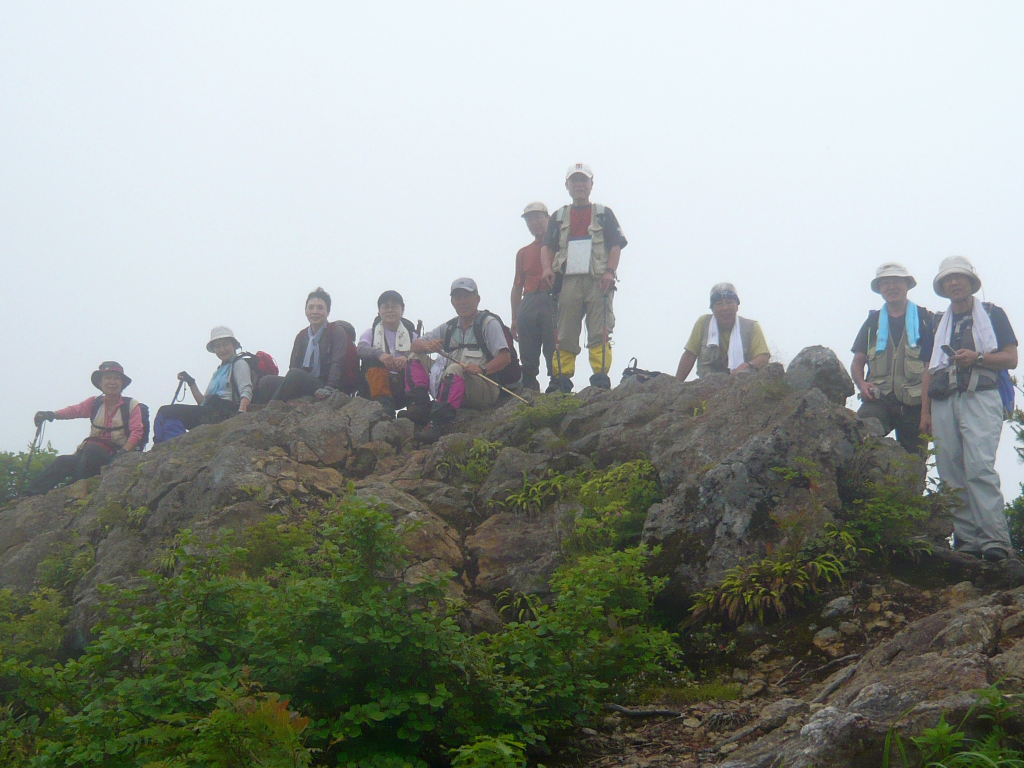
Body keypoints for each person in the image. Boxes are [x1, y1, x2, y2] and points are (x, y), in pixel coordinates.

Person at [921, 256, 1019, 562]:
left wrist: (976, 358)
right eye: (948, 279)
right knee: (950, 470)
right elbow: (928, 369)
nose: (954, 283)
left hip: (981, 395)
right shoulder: (937, 323)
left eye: (959, 278)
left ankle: (994, 541)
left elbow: (1011, 359)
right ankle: (966, 540)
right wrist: (924, 413)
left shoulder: (992, 314)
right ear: (942, 286)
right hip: (943, 399)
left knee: (978, 467)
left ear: (970, 282)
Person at [540, 163, 627, 392]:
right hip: (568, 279)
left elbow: (615, 245)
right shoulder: (559, 216)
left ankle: (600, 377)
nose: (579, 185)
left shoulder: (603, 213)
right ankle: (561, 379)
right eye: (574, 181)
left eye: (583, 181)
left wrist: (610, 272)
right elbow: (547, 247)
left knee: (600, 329)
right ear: (567, 185)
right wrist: (547, 269)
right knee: (566, 330)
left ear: (591, 185)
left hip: (597, 278)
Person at [411, 278, 512, 443]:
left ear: (477, 299)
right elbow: (414, 345)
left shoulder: (488, 323)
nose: (462, 302)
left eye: (467, 296)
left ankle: (438, 424)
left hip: (483, 388)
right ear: (452, 302)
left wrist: (482, 369)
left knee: (454, 369)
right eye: (458, 297)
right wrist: (428, 345)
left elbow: (505, 357)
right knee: (414, 357)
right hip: (451, 385)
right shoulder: (449, 327)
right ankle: (420, 405)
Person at [850, 263, 934, 455]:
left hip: (915, 405)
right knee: (861, 436)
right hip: (880, 399)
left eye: (896, 281)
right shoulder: (873, 322)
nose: (891, 287)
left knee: (914, 463)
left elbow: (935, 365)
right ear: (880, 289)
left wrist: (926, 412)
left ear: (907, 285)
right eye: (885, 283)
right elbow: (858, 361)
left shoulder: (925, 319)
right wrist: (862, 384)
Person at [25, 362, 144, 496]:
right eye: (107, 378)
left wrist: (124, 452)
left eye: (116, 378)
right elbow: (74, 411)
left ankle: (76, 489)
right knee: (63, 461)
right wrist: (51, 415)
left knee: (91, 449)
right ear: (100, 383)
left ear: (122, 383)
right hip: (89, 453)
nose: (112, 382)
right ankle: (28, 495)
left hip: (114, 455)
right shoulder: (94, 403)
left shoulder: (131, 405)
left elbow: (137, 431)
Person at [152, 326, 252, 443]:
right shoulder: (218, 371)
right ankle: (165, 444)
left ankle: (173, 445)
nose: (222, 349)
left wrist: (241, 412)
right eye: (217, 346)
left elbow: (246, 388)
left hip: (224, 412)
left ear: (233, 345)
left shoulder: (239, 364)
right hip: (210, 411)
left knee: (166, 412)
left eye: (225, 344)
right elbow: (202, 403)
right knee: (167, 415)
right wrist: (191, 382)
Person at [255, 287, 354, 403]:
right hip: (305, 381)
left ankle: (271, 409)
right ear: (305, 310)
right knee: (266, 382)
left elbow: (337, 363)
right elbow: (293, 365)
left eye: (320, 307)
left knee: (295, 375)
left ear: (328, 312)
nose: (315, 312)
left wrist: (330, 387)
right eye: (311, 307)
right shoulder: (301, 336)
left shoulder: (336, 332)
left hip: (327, 384)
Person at [357, 290, 432, 421]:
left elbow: (422, 351)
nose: (390, 310)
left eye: (395, 306)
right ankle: (384, 408)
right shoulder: (371, 333)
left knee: (416, 360)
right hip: (377, 388)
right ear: (379, 311)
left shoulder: (412, 335)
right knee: (372, 360)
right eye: (386, 306)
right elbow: (361, 348)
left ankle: (417, 406)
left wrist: (407, 358)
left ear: (402, 310)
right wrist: (380, 355)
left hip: (404, 387)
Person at [675, 283, 771, 381]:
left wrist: (748, 366)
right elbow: (689, 355)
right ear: (712, 309)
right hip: (706, 386)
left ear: (737, 306)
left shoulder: (751, 327)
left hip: (741, 387)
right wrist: (675, 385)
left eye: (729, 302)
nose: (725, 308)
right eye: (719, 304)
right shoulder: (703, 323)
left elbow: (763, 357)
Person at [511, 202, 555, 391]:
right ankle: (529, 386)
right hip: (528, 301)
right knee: (527, 350)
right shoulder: (523, 252)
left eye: (537, 217)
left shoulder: (560, 246)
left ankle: (557, 383)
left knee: (554, 345)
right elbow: (516, 286)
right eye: (529, 219)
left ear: (548, 218)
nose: (534, 222)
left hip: (553, 297)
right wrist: (514, 317)